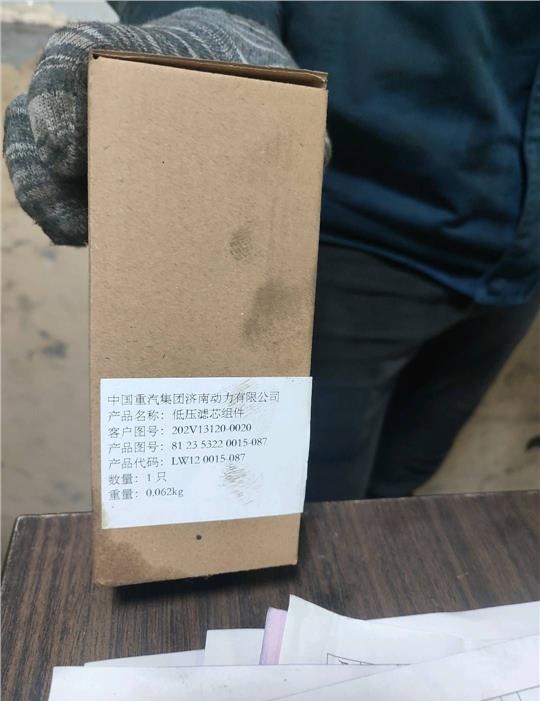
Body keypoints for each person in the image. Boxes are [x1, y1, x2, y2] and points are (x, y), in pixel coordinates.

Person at [4, 2, 540, 501]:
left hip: (517, 273)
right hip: (356, 240)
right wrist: (224, 33)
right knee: (299, 507)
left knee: (402, 488)